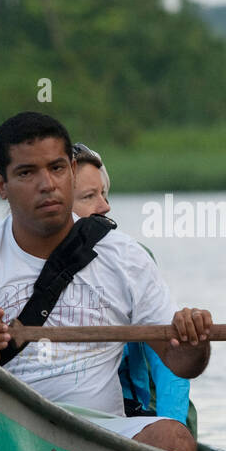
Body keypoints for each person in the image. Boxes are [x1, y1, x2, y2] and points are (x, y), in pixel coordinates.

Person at [0, 113, 209, 451]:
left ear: (70, 170)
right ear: (0, 185)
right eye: (26, 173)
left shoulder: (126, 257)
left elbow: (181, 364)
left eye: (56, 168)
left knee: (174, 440)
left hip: (96, 430)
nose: (47, 184)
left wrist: (194, 342)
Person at [69, 142, 193, 431]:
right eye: (89, 196)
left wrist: (171, 430)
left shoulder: (131, 257)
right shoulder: (14, 260)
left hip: (129, 415)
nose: (105, 206)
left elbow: (170, 362)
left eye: (104, 194)